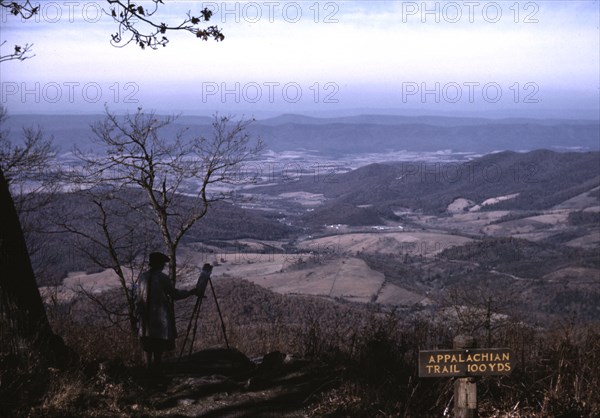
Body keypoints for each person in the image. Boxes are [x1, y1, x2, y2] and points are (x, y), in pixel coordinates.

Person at [136, 252, 198, 368]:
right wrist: (190, 292)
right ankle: (157, 372)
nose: (164, 266)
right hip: (158, 318)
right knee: (158, 346)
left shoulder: (143, 277)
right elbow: (174, 294)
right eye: (163, 264)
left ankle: (148, 371)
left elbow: (139, 297)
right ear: (159, 264)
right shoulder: (162, 278)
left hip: (144, 318)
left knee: (148, 346)